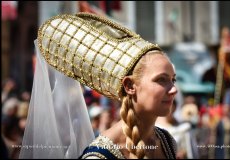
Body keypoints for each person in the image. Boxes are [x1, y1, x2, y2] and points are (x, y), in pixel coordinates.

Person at [19, 12, 177, 159]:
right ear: (129, 86)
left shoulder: (167, 141)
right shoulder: (98, 156)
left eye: (173, 80)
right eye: (161, 80)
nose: (174, 89)